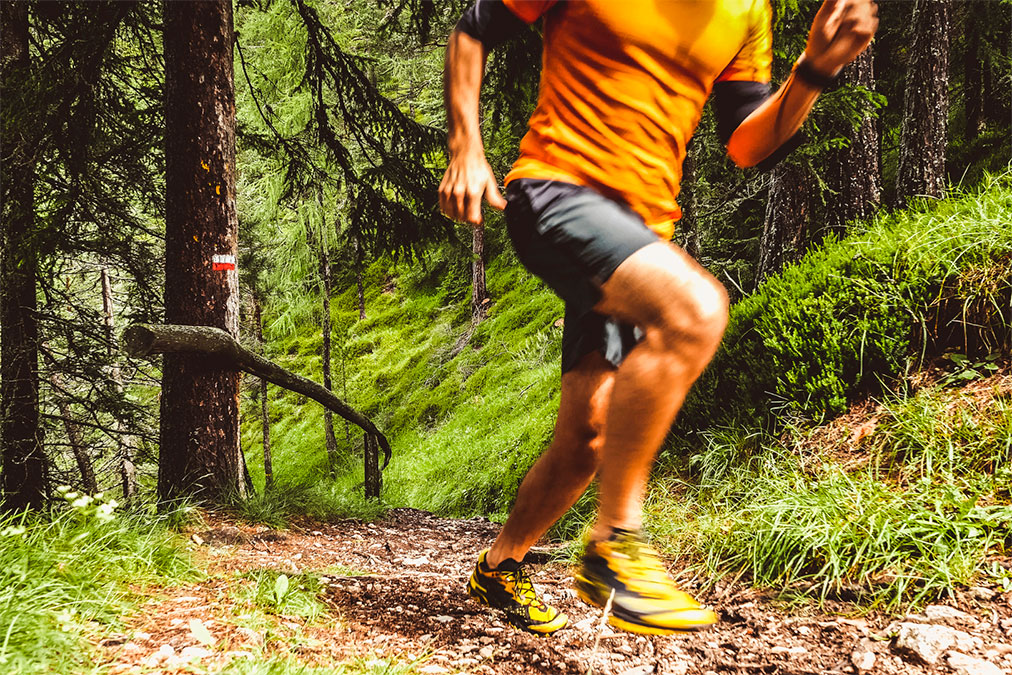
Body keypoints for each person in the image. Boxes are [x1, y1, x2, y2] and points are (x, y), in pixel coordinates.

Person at [439, 0, 877, 636]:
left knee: (586, 438)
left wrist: (812, 71)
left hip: (638, 234)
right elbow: (472, 31)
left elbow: (745, 143)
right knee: (693, 310)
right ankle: (616, 544)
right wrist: (466, 148)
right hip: (555, 191)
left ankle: (498, 565)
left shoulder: (748, 9)